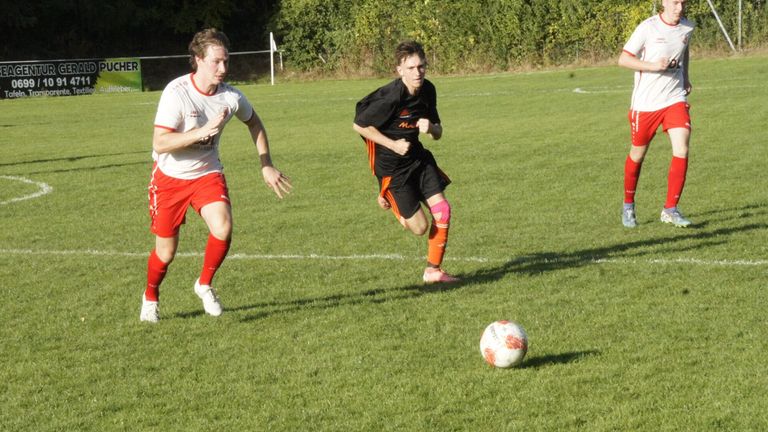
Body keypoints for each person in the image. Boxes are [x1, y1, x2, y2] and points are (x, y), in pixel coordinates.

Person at [140, 28, 292, 322]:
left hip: (207, 174)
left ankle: (205, 284)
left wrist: (266, 163)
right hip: (169, 178)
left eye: (226, 62)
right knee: (166, 253)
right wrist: (201, 132)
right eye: (216, 62)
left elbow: (255, 123)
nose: (223, 69)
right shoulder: (177, 92)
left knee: (223, 227)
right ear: (197, 60)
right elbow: (160, 143)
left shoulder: (231, 97)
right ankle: (150, 296)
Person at [353, 41, 459, 284]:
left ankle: (433, 271)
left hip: (418, 159)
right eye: (411, 68)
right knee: (420, 228)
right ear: (399, 70)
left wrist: (430, 127)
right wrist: (392, 144)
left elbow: (438, 133)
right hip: (392, 169)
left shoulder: (428, 90)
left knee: (442, 210)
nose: (417, 72)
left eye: (421, 66)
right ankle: (387, 196)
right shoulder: (390, 98)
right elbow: (359, 125)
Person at [618, 0, 695, 228]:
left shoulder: (687, 27)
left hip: (674, 99)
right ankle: (628, 205)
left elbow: (684, 50)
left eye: (682, 2)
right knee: (637, 155)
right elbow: (623, 59)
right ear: (663, 2)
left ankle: (670, 209)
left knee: (682, 148)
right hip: (646, 104)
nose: (679, 8)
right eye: (674, 3)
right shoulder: (648, 27)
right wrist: (653, 66)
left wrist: (687, 76)